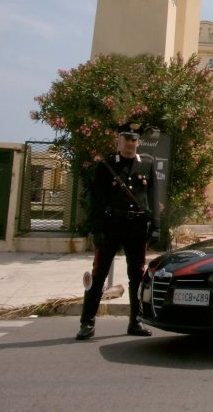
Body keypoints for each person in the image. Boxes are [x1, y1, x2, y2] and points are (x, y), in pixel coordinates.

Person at [76, 122, 160, 340]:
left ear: (138, 142)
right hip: (111, 226)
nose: (130, 143)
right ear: (118, 140)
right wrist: (97, 230)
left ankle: (136, 321)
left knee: (137, 276)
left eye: (134, 139)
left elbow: (153, 196)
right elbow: (96, 200)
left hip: (137, 228)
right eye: (126, 138)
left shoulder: (147, 164)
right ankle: (87, 323)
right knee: (98, 274)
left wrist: (156, 226)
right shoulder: (106, 165)